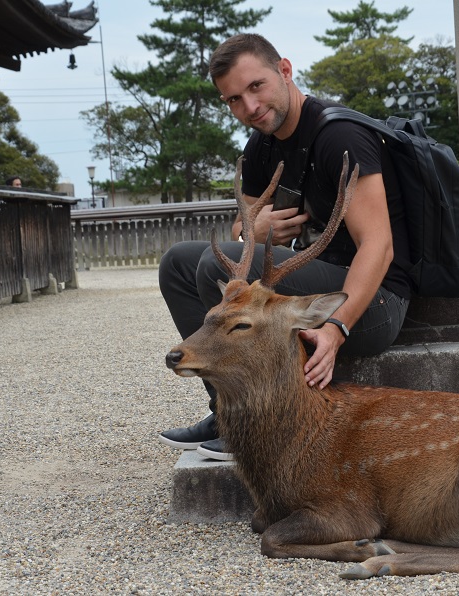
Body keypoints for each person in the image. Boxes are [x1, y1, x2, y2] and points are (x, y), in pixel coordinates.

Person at [157, 33, 414, 461]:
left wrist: (337, 329)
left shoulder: (339, 136)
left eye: (256, 87)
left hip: (376, 299)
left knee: (209, 265)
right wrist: (253, 228)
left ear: (285, 71)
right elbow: (242, 226)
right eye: (234, 100)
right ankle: (227, 410)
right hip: (315, 282)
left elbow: (379, 246)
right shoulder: (263, 141)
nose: (250, 108)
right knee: (178, 263)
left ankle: (255, 421)